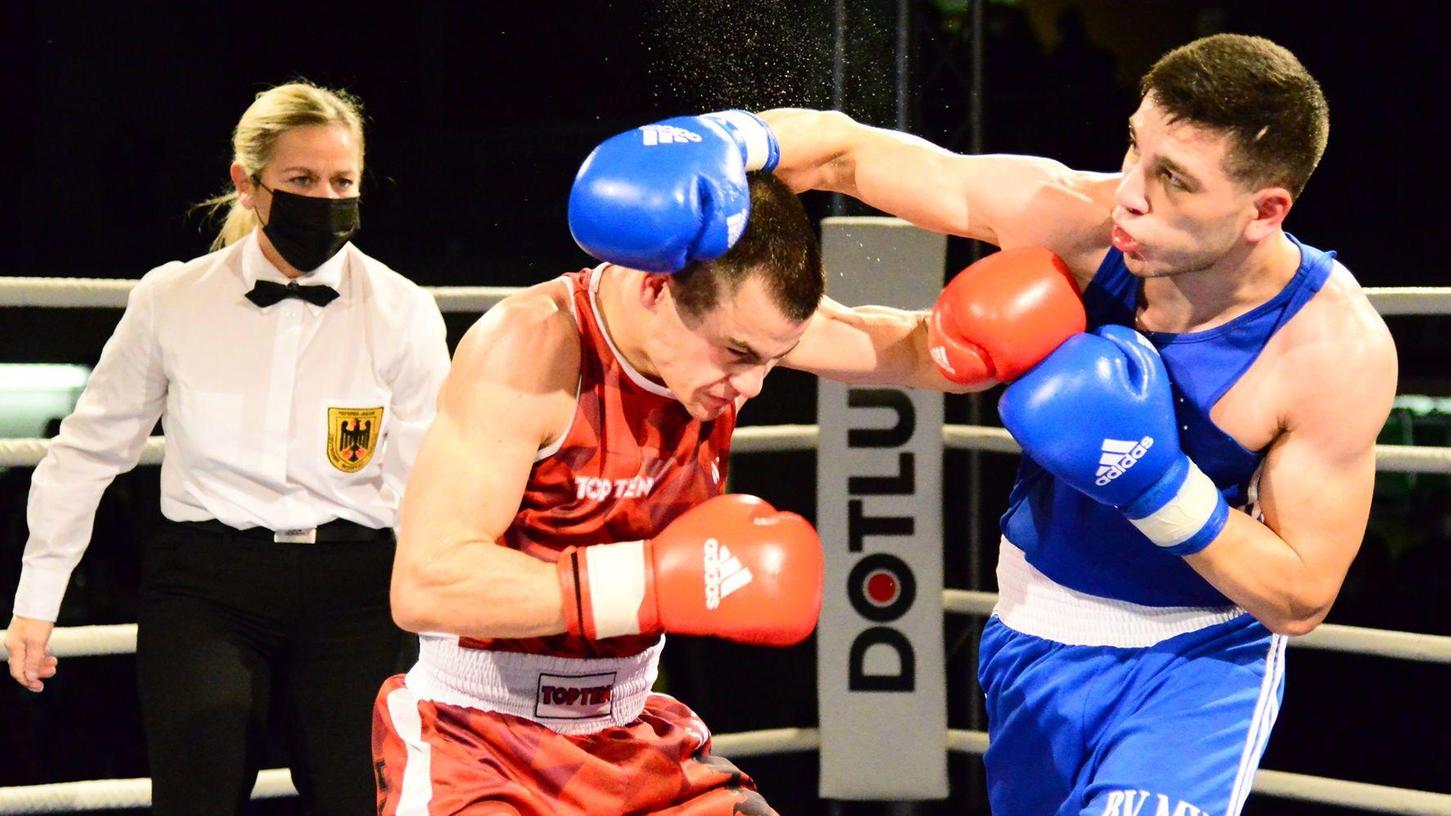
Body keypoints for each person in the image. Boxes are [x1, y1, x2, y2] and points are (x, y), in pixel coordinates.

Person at [754, 34, 1395, 815]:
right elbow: (841, 156)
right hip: (1033, 635)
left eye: (1173, 180)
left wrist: (1155, 485)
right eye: (1134, 147)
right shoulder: (1079, 222)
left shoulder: (1329, 349)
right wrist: (729, 143)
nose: (1129, 192)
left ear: (1264, 211)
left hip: (1194, 664)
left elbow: (1300, 597)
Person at [371, 111, 1074, 815]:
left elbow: (917, 353)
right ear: (655, 287)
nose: (751, 386)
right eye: (739, 355)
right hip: (481, 740)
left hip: (626, 730)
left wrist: (1023, 330)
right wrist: (649, 583)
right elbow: (427, 583)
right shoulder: (533, 345)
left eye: (774, 360)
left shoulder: (743, 323)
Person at [4, 81, 450, 816]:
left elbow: (430, 480)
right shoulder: (173, 298)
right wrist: (36, 602)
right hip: (209, 584)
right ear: (248, 184)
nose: (326, 197)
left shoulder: (400, 309)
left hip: (358, 589)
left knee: (359, 802)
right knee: (196, 797)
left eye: (343, 181)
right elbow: (89, 450)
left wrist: (451, 631)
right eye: (301, 180)